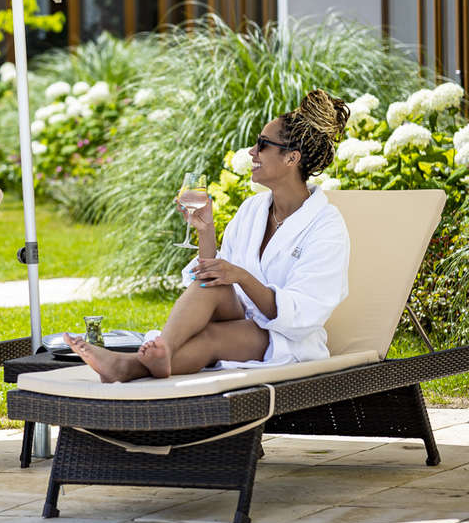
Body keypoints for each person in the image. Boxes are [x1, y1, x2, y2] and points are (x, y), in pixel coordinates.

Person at [71, 89, 351, 382]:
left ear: (292, 158)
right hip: (238, 316)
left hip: (284, 337)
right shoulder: (253, 210)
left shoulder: (325, 227)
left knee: (212, 336)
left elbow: (303, 314)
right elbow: (218, 274)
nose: (251, 152)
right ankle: (159, 352)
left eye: (262, 145)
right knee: (211, 285)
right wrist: (205, 232)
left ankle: (130, 366)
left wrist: (241, 276)